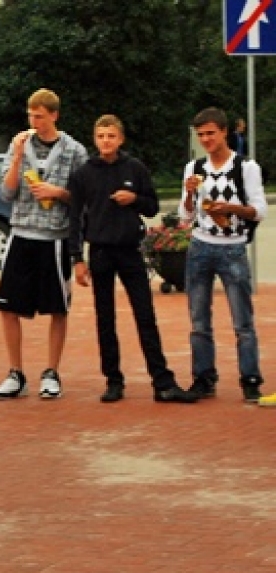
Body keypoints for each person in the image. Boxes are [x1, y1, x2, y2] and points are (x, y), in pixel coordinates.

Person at [68, 115, 198, 404]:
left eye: (111, 136)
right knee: (105, 318)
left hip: (130, 251)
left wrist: (134, 199)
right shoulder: (83, 173)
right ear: (94, 138)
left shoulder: (134, 168)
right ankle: (113, 380)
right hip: (100, 252)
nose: (106, 141)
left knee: (145, 315)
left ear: (121, 139)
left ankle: (162, 382)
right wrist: (77, 258)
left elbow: (152, 207)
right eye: (101, 136)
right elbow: (74, 218)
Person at [0, 88, 88, 400]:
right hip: (21, 234)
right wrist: (18, 157)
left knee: (58, 309)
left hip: (55, 239)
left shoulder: (74, 150)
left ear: (54, 116)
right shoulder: (17, 145)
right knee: (8, 308)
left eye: (40, 116)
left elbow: (85, 198)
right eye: (31, 115)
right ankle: (16, 373)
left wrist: (57, 192)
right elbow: (6, 193)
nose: (34, 121)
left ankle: (51, 372)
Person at [180, 107, 267, 402]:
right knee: (198, 319)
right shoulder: (194, 168)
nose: (205, 139)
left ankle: (250, 377)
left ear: (223, 132)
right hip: (200, 246)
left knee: (242, 319)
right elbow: (185, 215)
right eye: (201, 134)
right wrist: (190, 193)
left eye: (210, 133)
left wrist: (230, 208)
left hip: (233, 247)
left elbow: (259, 210)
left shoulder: (245, 167)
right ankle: (204, 377)